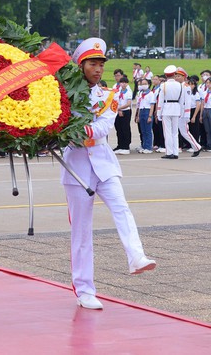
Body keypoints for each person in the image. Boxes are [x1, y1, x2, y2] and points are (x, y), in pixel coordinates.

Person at [63, 38, 155, 310]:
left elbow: (103, 127)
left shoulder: (107, 95)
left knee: (121, 207)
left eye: (101, 64)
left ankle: (136, 256)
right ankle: (84, 289)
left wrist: (76, 130)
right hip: (76, 167)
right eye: (92, 63)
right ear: (81, 65)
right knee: (81, 232)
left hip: (103, 162)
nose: (98, 69)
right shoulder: (62, 95)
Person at [157, 66, 185, 159]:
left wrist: (158, 113)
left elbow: (160, 100)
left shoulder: (163, 85)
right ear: (174, 74)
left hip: (166, 108)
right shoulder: (180, 85)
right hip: (176, 108)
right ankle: (176, 152)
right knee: (175, 132)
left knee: (167, 132)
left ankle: (169, 152)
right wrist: (181, 111)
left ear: (166, 75)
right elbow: (182, 99)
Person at [174, 68, 202, 157]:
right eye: (176, 76)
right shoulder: (179, 86)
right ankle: (196, 147)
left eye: (178, 76)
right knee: (183, 132)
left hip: (183, 113)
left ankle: (197, 146)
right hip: (178, 112)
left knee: (184, 132)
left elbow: (188, 102)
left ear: (184, 77)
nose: (176, 78)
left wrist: (187, 115)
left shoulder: (186, 87)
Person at [134, 78, 155, 154]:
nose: (143, 85)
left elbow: (152, 105)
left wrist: (150, 116)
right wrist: (138, 116)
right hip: (141, 111)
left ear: (149, 84)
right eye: (142, 84)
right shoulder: (140, 93)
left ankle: (148, 147)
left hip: (147, 111)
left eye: (145, 83)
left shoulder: (151, 93)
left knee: (148, 130)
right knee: (143, 130)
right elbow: (139, 105)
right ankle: (144, 145)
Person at [113, 76, 132, 154]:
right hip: (118, 111)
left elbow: (128, 104)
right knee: (119, 129)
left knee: (125, 129)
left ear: (127, 84)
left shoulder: (128, 92)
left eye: (125, 83)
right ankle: (120, 145)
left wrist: (119, 108)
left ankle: (126, 146)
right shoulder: (118, 91)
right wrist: (118, 109)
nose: (123, 84)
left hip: (125, 111)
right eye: (122, 82)